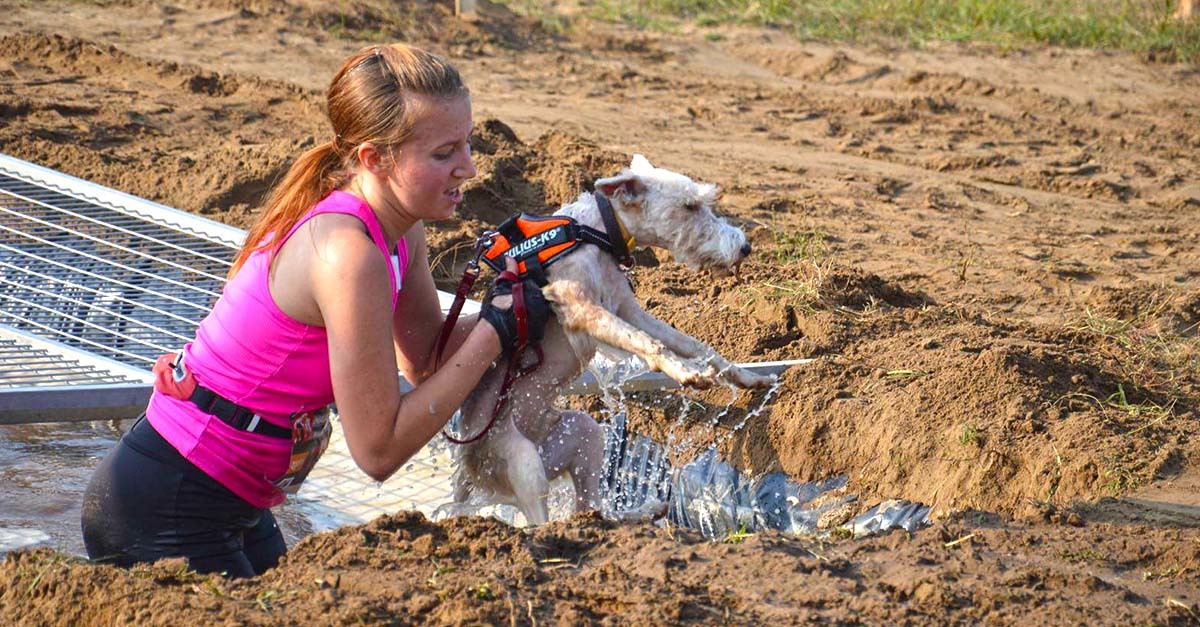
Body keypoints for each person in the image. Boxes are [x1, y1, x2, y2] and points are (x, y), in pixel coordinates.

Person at [81, 43, 551, 578]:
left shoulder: (401, 229)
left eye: (468, 143)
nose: (468, 168)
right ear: (375, 158)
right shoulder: (349, 254)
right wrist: (494, 331)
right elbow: (377, 452)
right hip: (167, 501)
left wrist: (528, 304)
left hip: (234, 498)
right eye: (444, 154)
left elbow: (425, 358)